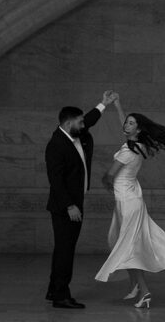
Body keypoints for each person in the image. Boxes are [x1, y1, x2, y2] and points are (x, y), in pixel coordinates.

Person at [95, 95, 165, 308]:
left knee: (128, 249)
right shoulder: (136, 144)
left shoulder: (129, 150)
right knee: (125, 245)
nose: (126, 125)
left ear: (137, 130)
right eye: (126, 122)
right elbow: (125, 125)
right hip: (128, 201)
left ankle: (144, 292)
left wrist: (106, 183)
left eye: (130, 123)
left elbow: (110, 174)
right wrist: (118, 104)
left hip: (129, 203)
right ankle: (135, 286)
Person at [45, 90, 117, 308]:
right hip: (66, 207)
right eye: (79, 122)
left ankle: (53, 290)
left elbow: (90, 121)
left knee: (63, 249)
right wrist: (70, 206)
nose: (84, 125)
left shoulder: (77, 135)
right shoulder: (56, 145)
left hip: (74, 203)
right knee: (65, 251)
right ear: (68, 124)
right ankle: (61, 296)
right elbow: (55, 181)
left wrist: (103, 104)